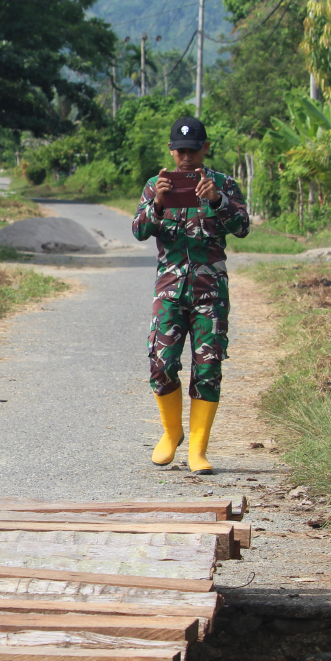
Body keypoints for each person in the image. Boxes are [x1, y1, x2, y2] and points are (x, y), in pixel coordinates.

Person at [132, 116, 250, 475]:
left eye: (192, 150)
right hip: (169, 291)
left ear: (205, 148)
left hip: (210, 292)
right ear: (171, 150)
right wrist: (157, 205)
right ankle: (171, 433)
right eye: (180, 151)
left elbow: (243, 227)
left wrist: (216, 201)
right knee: (161, 362)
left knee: (208, 368)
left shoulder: (225, 184)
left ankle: (198, 449)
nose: (186, 158)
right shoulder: (156, 184)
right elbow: (138, 231)